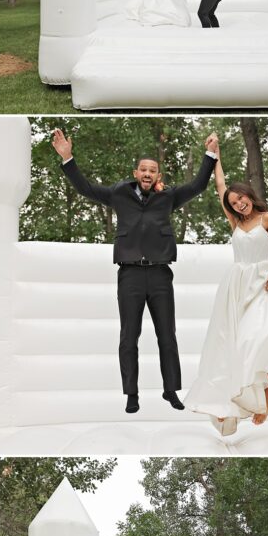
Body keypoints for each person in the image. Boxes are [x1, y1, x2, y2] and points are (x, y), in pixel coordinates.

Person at [51, 128, 219, 414]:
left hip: (160, 274)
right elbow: (87, 189)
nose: (148, 173)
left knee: (168, 334)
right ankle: (131, 393)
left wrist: (210, 154)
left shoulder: (167, 197)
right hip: (129, 275)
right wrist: (68, 158)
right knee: (129, 337)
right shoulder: (119, 194)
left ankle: (171, 390)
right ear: (136, 172)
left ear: (158, 175)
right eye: (143, 169)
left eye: (153, 170)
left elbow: (198, 186)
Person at [184, 150, 268, 436]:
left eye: (241, 198)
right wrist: (216, 155)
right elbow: (220, 186)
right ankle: (239, 401)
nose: (238, 204)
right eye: (233, 203)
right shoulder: (236, 223)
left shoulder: (266, 218)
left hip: (263, 284)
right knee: (239, 346)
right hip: (236, 288)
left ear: (249, 195)